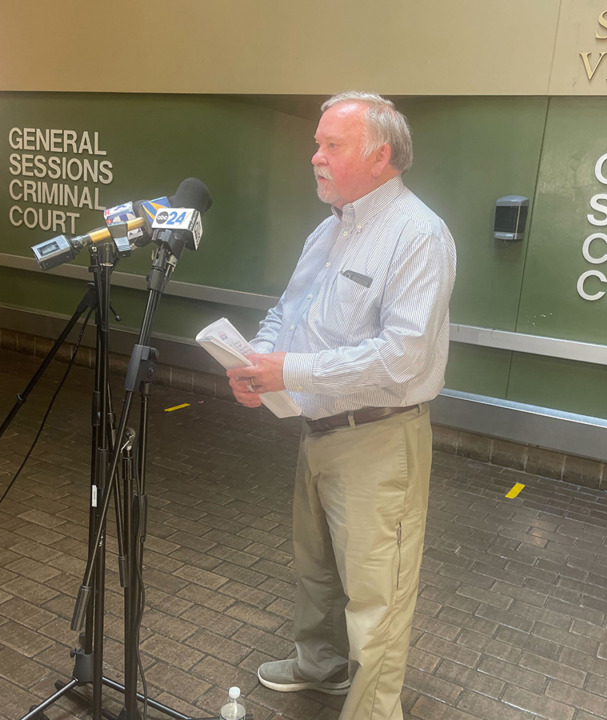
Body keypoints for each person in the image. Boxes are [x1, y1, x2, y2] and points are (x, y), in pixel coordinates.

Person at [226, 92, 456, 720]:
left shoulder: (418, 235)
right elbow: (288, 311)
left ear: (380, 156)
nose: (315, 157)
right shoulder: (328, 230)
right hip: (317, 428)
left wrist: (289, 369)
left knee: (377, 595)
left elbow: (400, 357)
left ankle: (373, 711)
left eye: (333, 145)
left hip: (380, 440)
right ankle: (319, 669)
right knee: (317, 570)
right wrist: (259, 360)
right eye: (317, 143)